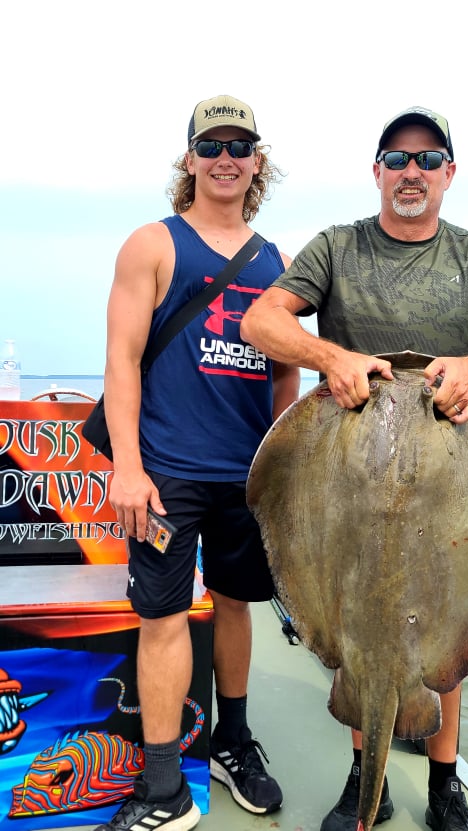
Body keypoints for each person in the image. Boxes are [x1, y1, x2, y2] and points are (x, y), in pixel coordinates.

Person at [240, 105, 468, 831]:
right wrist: (331, 357)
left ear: (449, 173)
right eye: (396, 159)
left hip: (453, 479)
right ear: (377, 172)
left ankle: (445, 784)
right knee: (360, 620)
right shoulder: (337, 246)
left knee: (449, 622)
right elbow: (261, 321)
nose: (410, 171)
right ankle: (368, 779)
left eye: (426, 159)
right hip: (345, 477)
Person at [97, 94, 299, 831]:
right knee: (163, 615)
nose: (225, 158)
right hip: (167, 472)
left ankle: (231, 742)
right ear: (189, 159)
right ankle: (162, 787)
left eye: (239, 146)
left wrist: (276, 465)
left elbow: (285, 372)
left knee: (237, 603)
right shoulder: (152, 244)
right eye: (210, 145)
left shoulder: (277, 262)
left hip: (244, 475)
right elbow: (122, 361)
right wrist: (128, 466)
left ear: (257, 161)